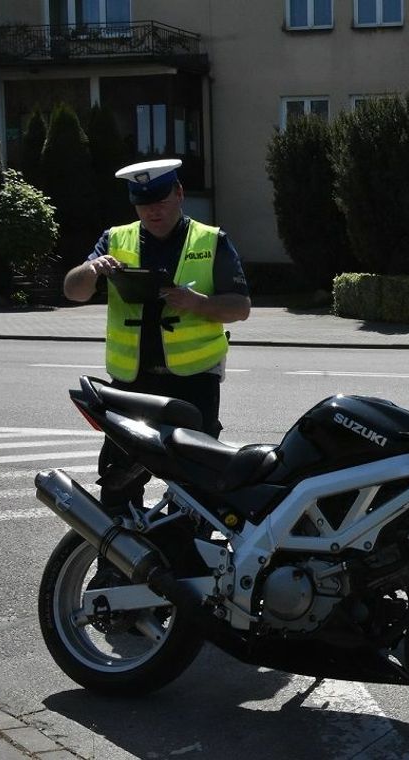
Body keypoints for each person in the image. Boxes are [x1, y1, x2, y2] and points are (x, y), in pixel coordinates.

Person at [63, 158, 251, 515]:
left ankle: (186, 563)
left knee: (195, 487)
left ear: (179, 194)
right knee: (119, 480)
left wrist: (198, 303)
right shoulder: (115, 239)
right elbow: (73, 291)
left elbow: (240, 307)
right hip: (131, 384)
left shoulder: (212, 241)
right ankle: (115, 567)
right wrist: (90, 270)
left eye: (160, 200)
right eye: (143, 203)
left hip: (193, 386)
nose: (152, 210)